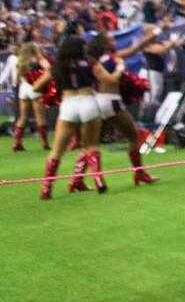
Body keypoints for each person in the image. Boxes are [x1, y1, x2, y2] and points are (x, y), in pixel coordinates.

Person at [41, 34, 103, 200]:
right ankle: (98, 180)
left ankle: (46, 189)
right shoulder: (90, 63)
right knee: (91, 146)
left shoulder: (57, 66)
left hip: (68, 105)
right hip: (88, 102)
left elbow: (37, 86)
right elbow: (102, 79)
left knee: (56, 151)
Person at [90, 33, 155, 185]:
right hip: (111, 102)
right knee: (134, 136)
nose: (115, 42)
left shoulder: (97, 61)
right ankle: (139, 173)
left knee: (93, 143)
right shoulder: (114, 57)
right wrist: (157, 32)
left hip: (99, 102)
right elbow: (136, 47)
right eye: (111, 40)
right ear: (105, 44)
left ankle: (77, 179)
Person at [9, 41, 51, 152]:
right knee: (40, 117)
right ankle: (44, 143)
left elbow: (18, 78)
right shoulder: (38, 59)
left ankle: (16, 143)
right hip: (35, 87)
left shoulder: (21, 61)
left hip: (23, 89)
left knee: (23, 117)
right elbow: (48, 68)